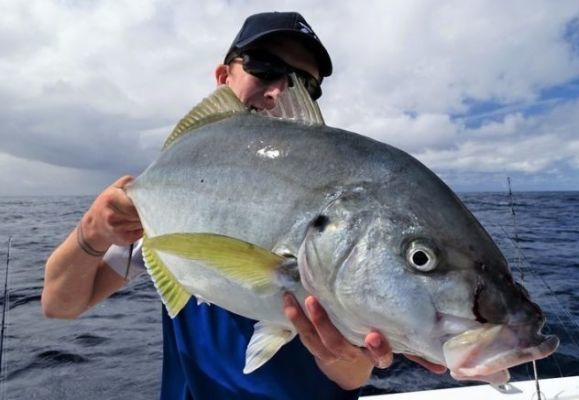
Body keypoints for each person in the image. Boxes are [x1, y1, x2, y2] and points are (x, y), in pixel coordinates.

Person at [42, 11, 445, 399]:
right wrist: (92, 231)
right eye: (265, 69)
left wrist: (348, 355)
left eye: (306, 84)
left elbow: (351, 378)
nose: (279, 92)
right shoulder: (170, 193)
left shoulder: (343, 208)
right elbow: (60, 304)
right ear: (223, 76)